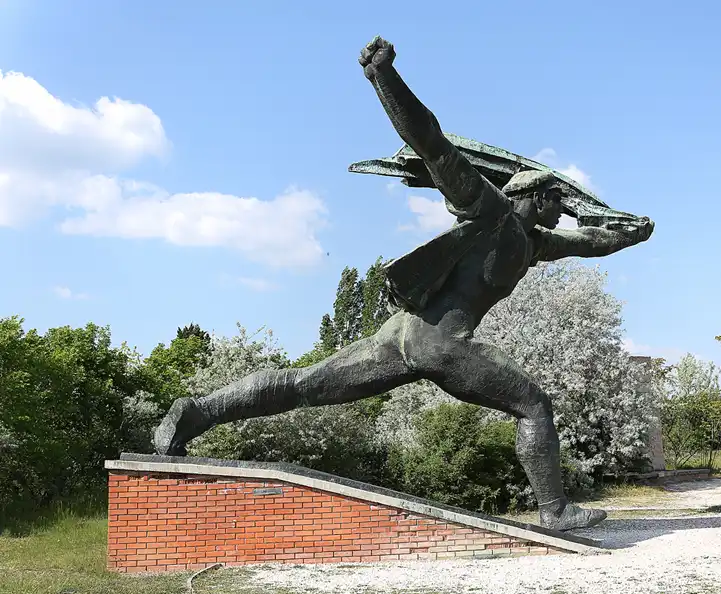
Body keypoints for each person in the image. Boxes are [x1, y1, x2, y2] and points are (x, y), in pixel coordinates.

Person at [153, 36, 655, 532]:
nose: (562, 212)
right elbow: (431, 142)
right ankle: (555, 510)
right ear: (540, 196)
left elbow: (590, 240)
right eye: (558, 203)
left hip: (403, 333)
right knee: (533, 404)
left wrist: (630, 234)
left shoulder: (532, 242)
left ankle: (197, 412)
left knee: (303, 385)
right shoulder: (487, 205)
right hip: (443, 342)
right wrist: (383, 77)